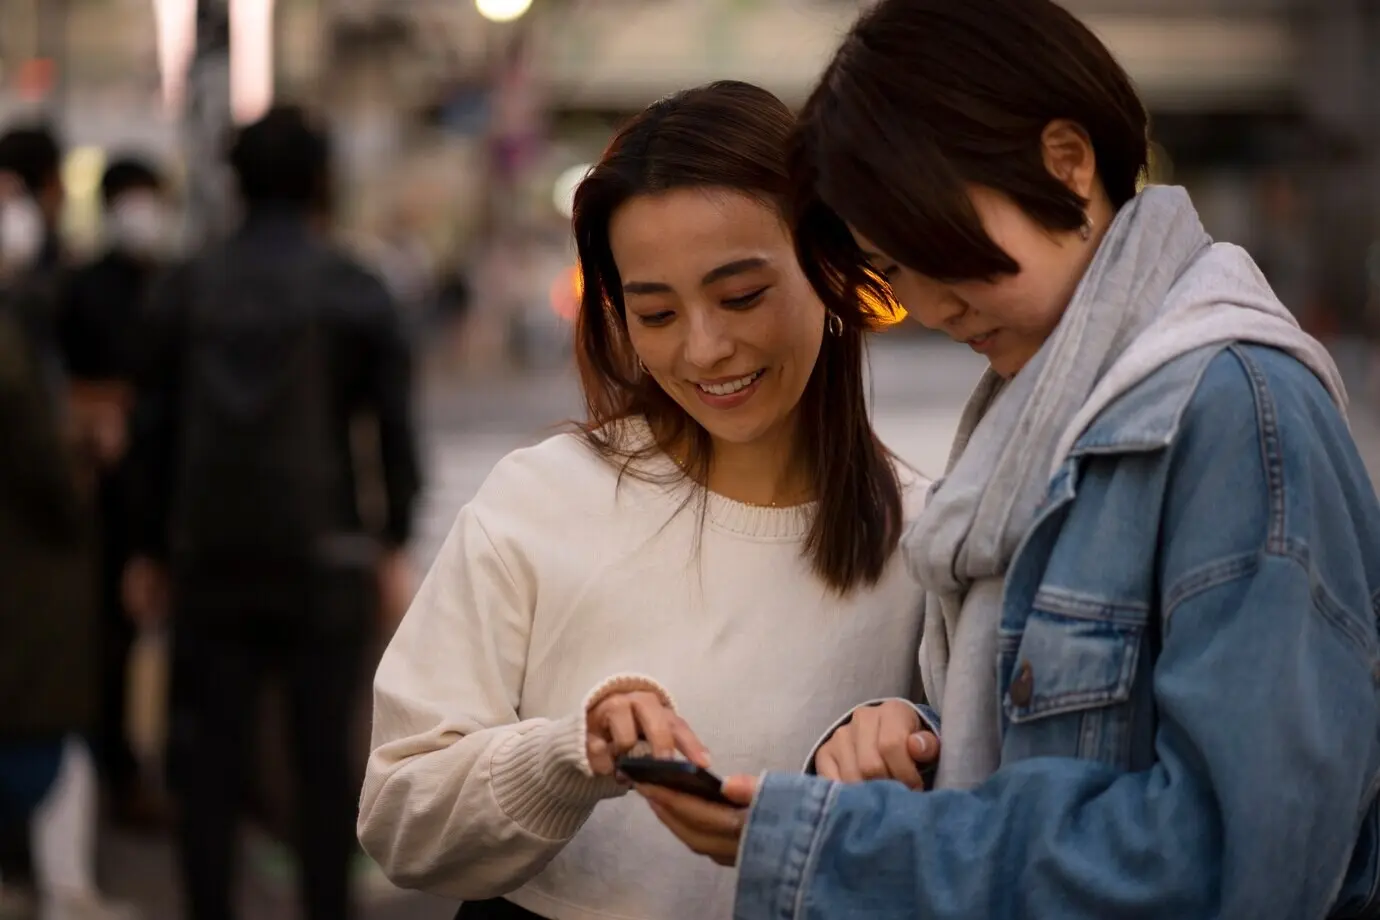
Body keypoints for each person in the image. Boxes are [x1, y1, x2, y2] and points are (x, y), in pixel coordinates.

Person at [642, 2, 1380, 918]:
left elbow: (1232, 860)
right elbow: (1067, 747)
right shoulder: (1048, 407)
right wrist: (916, 744)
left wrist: (850, 845)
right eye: (892, 268)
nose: (929, 306)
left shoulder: (1231, 414)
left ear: (1066, 162)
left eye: (939, 248)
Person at [358, 80, 938, 920]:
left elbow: (989, 828)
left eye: (741, 296)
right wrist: (570, 754)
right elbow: (399, 819)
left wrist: (912, 743)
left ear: (831, 266)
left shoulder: (922, 536)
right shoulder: (544, 498)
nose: (704, 349)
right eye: (657, 313)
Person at [125, 105, 421, 920]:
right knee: (322, 758)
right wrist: (392, 537)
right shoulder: (353, 286)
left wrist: (146, 547)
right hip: (324, 554)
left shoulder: (186, 286)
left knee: (208, 759)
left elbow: (151, 430)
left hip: (207, 555)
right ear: (322, 181)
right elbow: (392, 426)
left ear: (236, 184)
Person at [58, 156, 177, 830]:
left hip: (161, 486)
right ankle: (112, 774)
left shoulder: (173, 281)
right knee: (108, 639)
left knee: (163, 644)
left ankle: (150, 772)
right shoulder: (84, 289)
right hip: (103, 494)